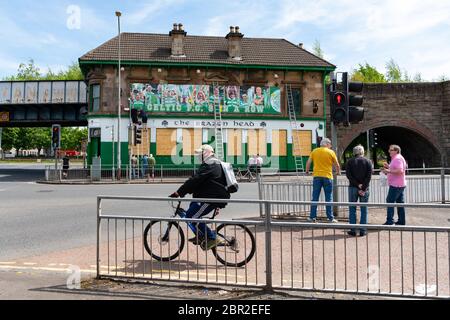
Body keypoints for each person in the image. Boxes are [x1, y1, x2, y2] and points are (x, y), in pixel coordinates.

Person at [169, 145, 231, 250]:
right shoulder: (216, 163)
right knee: (193, 206)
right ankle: (200, 235)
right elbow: (210, 182)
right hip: (211, 197)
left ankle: (212, 237)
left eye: (200, 154)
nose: (198, 156)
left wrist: (179, 192)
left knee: (191, 216)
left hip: (210, 199)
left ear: (206, 153)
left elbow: (195, 180)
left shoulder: (210, 164)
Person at [305, 138, 340, 223]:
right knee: (329, 198)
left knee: (315, 197)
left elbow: (308, 162)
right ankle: (330, 218)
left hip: (317, 176)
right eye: (330, 144)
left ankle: (312, 217)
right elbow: (337, 164)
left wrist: (307, 171)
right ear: (327, 144)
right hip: (328, 177)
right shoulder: (331, 152)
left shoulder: (314, 151)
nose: (331, 146)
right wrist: (338, 172)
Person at [345, 145, 373, 236]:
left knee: (352, 209)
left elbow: (349, 176)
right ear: (362, 152)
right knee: (364, 209)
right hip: (365, 189)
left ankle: (352, 229)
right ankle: (363, 230)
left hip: (353, 187)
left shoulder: (349, 162)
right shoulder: (368, 161)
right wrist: (363, 187)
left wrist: (357, 185)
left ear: (354, 152)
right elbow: (369, 176)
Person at [382, 145, 408, 225]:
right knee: (400, 203)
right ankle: (401, 221)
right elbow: (398, 169)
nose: (389, 151)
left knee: (390, 201)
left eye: (391, 150)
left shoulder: (397, 158)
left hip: (396, 185)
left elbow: (400, 170)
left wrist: (388, 171)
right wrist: (389, 167)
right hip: (399, 184)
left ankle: (390, 221)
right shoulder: (398, 158)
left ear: (396, 151)